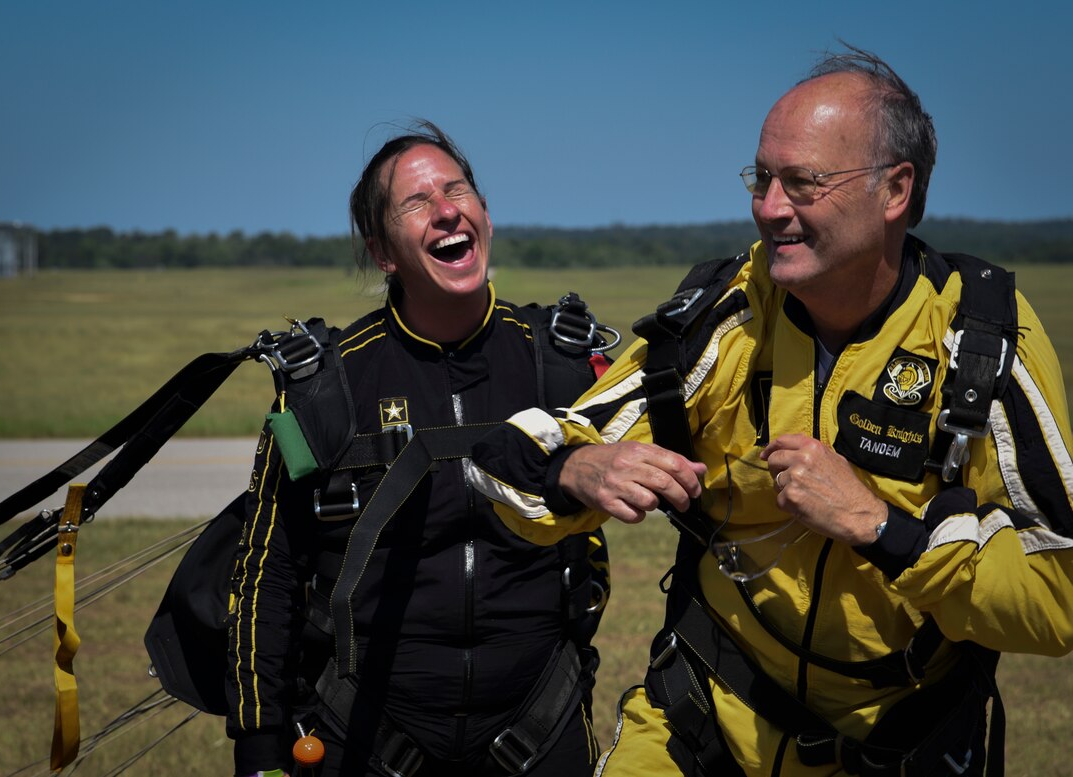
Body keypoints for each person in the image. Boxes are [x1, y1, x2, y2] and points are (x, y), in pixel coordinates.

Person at [469, 45, 1073, 775]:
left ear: (896, 190)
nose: (768, 208)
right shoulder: (724, 317)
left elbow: (1058, 595)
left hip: (903, 740)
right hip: (706, 720)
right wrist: (577, 466)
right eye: (762, 178)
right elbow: (512, 463)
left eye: (803, 183)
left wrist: (885, 532)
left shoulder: (982, 344)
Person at [224, 121, 610, 777]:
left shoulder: (563, 366)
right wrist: (259, 743)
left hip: (538, 729)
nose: (447, 210)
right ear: (382, 252)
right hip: (369, 737)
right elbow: (268, 570)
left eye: (458, 190)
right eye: (417, 203)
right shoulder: (322, 391)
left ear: (484, 213)